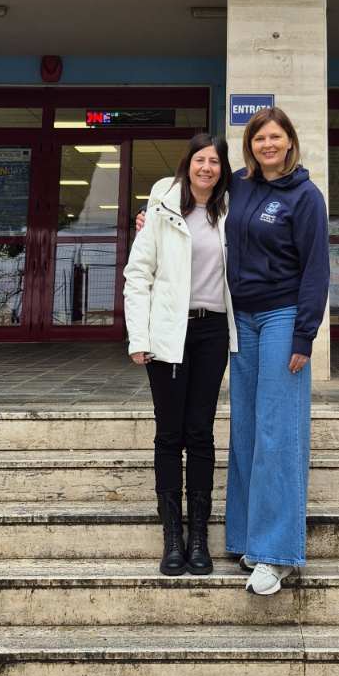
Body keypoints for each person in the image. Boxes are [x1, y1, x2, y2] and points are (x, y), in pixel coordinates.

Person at [225, 107, 329, 597]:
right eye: (259, 138)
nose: (267, 144)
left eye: (275, 136)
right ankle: (248, 539)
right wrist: (152, 215)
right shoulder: (239, 185)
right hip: (241, 319)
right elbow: (195, 204)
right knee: (246, 429)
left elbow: (316, 268)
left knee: (277, 431)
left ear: (289, 141)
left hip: (282, 317)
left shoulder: (306, 196)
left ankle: (278, 554)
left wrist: (304, 334)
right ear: (250, 145)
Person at [123, 133, 235, 577]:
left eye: (215, 161)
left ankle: (199, 538)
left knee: (201, 433)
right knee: (170, 434)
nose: (206, 167)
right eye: (199, 160)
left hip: (213, 331)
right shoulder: (161, 209)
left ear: (223, 170)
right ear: (187, 164)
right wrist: (138, 336)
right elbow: (138, 274)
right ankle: (172, 538)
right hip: (170, 331)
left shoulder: (230, 210)